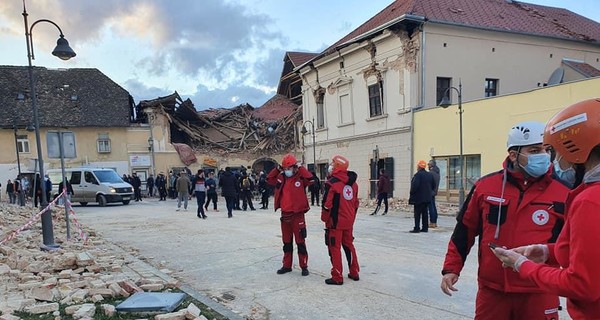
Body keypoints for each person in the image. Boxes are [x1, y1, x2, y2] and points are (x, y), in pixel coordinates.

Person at [440, 121, 570, 319]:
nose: (543, 156)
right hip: (493, 291)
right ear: (513, 155)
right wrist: (451, 268)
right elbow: (463, 232)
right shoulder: (485, 187)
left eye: (547, 150)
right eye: (535, 150)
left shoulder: (564, 193)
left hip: (539, 290)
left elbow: (573, 244)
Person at [492, 99, 600, 319]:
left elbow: (583, 285)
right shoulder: (488, 185)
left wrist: (523, 266)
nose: (554, 161)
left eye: (555, 152)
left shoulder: (589, 200)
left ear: (576, 150)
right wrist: (547, 251)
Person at [266, 153, 315, 276]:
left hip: (297, 215)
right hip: (285, 215)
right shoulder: (280, 178)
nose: (287, 171)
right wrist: (277, 169)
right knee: (286, 242)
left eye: (289, 168)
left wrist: (301, 167)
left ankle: (304, 266)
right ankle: (286, 265)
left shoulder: (300, 178)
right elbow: (268, 179)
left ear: (294, 167)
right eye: (285, 168)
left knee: (300, 242)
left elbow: (311, 179)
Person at [321, 155, 360, 285]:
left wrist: (325, 219)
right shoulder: (353, 184)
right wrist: (351, 219)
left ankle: (337, 276)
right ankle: (354, 272)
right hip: (349, 221)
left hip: (335, 222)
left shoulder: (332, 184)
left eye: (332, 164)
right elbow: (355, 204)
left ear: (337, 167)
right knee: (349, 246)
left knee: (335, 248)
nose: (330, 166)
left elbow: (327, 204)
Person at [408, 160, 434, 233]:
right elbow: (433, 185)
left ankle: (417, 228)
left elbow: (414, 186)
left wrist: (412, 193)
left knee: (417, 214)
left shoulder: (417, 175)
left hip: (418, 198)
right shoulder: (429, 175)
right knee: (425, 213)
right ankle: (425, 228)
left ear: (419, 167)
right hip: (427, 198)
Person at [428, 160, 441, 228]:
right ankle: (434, 222)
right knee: (433, 207)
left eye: (429, 164)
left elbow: (428, 183)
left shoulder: (431, 173)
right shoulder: (437, 172)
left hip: (430, 192)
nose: (428, 166)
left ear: (431, 165)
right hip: (434, 191)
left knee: (431, 207)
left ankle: (432, 222)